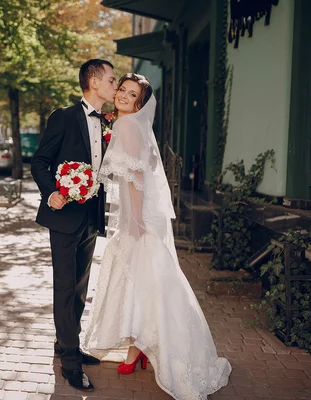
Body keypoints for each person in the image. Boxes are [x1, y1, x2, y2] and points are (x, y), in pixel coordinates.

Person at [82, 73, 232, 399]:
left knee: (144, 280)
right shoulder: (133, 125)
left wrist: (135, 220)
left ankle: (140, 350)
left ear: (139, 102)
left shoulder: (126, 126)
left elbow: (136, 175)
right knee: (145, 281)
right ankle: (139, 349)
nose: (122, 95)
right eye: (121, 89)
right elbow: (143, 167)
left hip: (139, 216)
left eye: (131, 93)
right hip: (140, 213)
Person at [31, 59, 118, 392]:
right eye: (111, 80)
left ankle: (64, 343)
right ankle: (70, 362)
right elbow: (40, 161)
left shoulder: (110, 122)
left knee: (80, 290)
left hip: (92, 218)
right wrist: (52, 192)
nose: (114, 85)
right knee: (65, 289)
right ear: (94, 82)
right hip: (65, 216)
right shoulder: (64, 117)